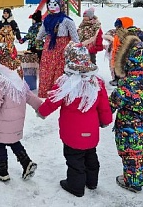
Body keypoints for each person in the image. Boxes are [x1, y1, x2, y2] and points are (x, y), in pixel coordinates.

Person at [37, 43, 112, 197]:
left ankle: (75, 186)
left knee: (74, 159)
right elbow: (104, 106)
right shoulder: (96, 82)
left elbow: (53, 100)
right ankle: (91, 182)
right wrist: (105, 120)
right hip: (91, 131)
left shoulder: (66, 81)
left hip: (71, 132)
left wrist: (42, 112)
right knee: (91, 156)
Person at [0, 43, 42, 182]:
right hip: (17, 120)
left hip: (3, 120)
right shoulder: (18, 76)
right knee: (14, 141)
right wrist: (40, 107)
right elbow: (29, 95)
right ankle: (26, 163)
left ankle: (2, 171)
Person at [109, 30, 143, 193]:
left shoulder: (129, 83)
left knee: (132, 154)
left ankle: (133, 182)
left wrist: (104, 112)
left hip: (130, 127)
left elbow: (114, 101)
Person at [36, 0, 79, 98]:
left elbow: (74, 36)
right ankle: (46, 91)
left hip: (62, 47)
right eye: (49, 4)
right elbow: (42, 31)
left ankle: (58, 93)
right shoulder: (47, 19)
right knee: (47, 68)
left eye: (54, 4)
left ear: (60, 5)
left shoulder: (67, 20)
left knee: (59, 69)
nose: (51, 6)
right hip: (49, 46)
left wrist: (77, 46)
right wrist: (38, 38)